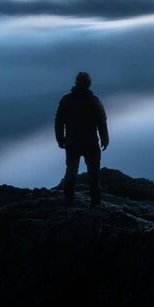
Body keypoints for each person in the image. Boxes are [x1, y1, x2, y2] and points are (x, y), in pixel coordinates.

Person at [54, 72, 109, 207]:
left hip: (72, 142)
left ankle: (68, 202)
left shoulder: (66, 99)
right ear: (89, 83)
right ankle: (95, 204)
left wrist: (60, 139)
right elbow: (102, 121)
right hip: (90, 142)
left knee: (71, 173)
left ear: (76, 82)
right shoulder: (93, 100)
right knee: (94, 175)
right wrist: (104, 138)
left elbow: (59, 122)